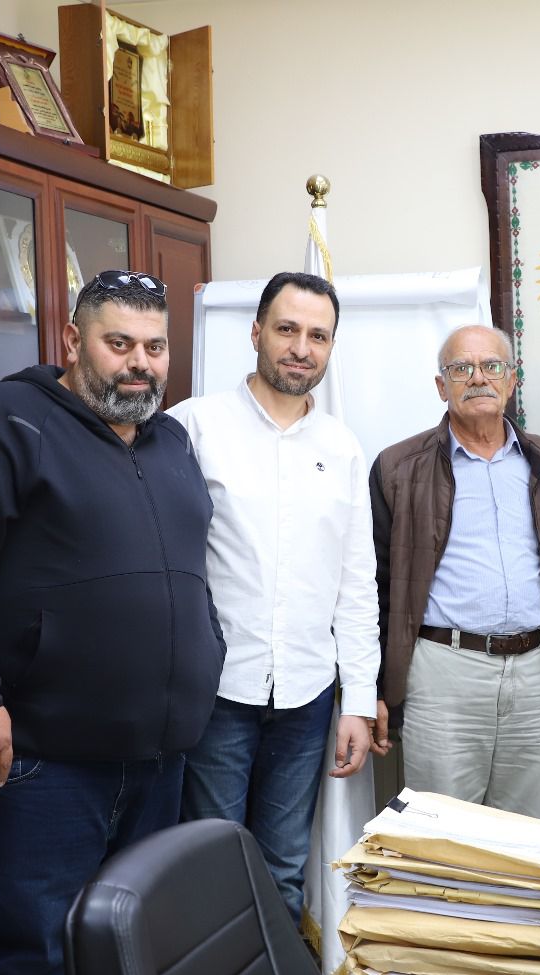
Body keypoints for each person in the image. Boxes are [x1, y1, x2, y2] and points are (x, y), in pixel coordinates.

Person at [0, 269, 226, 975]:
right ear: (73, 341)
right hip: (39, 763)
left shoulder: (171, 441)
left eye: (155, 347)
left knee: (116, 967)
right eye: (119, 343)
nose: (140, 363)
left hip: (158, 760)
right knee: (30, 965)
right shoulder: (5, 422)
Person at [171, 271, 380, 924]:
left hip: (307, 697)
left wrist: (358, 699)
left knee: (283, 872)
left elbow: (356, 583)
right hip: (216, 693)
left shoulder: (341, 447)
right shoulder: (192, 427)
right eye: (287, 329)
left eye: (318, 336)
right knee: (209, 871)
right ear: (256, 331)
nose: (301, 348)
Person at [370, 324, 540, 819]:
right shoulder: (398, 468)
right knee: (441, 834)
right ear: (442, 386)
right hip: (442, 673)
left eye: (491, 366)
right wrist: (372, 686)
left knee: (525, 837)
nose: (478, 378)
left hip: (536, 674)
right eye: (462, 368)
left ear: (511, 380)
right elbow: (379, 585)